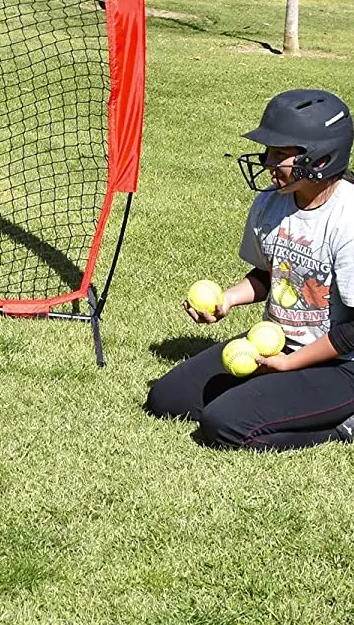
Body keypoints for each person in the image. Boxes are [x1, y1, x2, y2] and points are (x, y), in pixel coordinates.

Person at [145, 88, 354, 449]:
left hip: (340, 364)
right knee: (166, 400)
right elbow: (268, 274)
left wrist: (291, 365)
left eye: (281, 154)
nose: (268, 162)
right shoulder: (270, 203)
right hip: (278, 344)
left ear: (320, 160)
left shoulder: (347, 220)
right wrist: (227, 300)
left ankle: (344, 426)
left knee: (224, 426)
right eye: (268, 151)